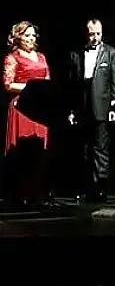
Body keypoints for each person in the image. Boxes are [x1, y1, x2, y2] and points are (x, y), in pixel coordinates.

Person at [67, 19, 115, 202]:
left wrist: (113, 108)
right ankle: (86, 186)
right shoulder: (76, 55)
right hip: (83, 106)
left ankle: (100, 187)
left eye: (98, 33)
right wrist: (72, 110)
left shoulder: (111, 53)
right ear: (86, 33)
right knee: (84, 149)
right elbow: (73, 86)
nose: (95, 37)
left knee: (100, 148)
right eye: (92, 34)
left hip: (102, 107)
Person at [2, 21, 51, 205]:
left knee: (39, 149)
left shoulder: (41, 56)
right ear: (19, 37)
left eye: (33, 35)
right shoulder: (12, 57)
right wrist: (32, 87)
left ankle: (36, 192)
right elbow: (8, 84)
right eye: (27, 35)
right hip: (22, 106)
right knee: (22, 151)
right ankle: (19, 193)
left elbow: (47, 79)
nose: (31, 38)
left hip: (41, 107)